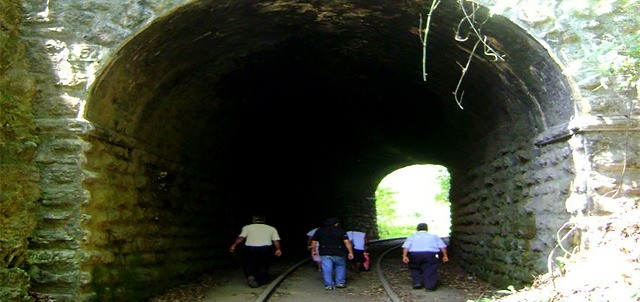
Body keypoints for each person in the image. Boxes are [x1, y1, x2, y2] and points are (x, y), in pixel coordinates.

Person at [229, 214, 282, 288]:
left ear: (253, 220)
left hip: (250, 248)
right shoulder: (272, 228)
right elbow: (276, 240)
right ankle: (261, 280)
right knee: (263, 264)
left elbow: (241, 238)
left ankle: (250, 275)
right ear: (264, 221)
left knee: (249, 263)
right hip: (265, 248)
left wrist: (234, 245)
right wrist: (278, 249)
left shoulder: (247, 227)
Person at [401, 222, 448, 291]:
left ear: (417, 229)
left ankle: (417, 282)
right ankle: (430, 286)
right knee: (430, 269)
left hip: (414, 254)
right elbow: (442, 247)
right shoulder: (434, 236)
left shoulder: (412, 236)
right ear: (427, 229)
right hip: (431, 254)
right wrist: (445, 256)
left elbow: (406, 247)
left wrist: (404, 256)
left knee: (415, 268)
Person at [310, 217, 354, 290]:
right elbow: (347, 242)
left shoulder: (320, 230)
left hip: (325, 252)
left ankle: (328, 285)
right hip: (339, 252)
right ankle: (340, 283)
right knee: (340, 266)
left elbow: (313, 242)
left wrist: (313, 251)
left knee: (327, 268)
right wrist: (350, 252)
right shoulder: (340, 230)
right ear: (336, 223)